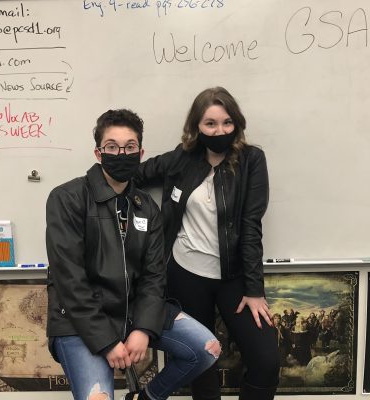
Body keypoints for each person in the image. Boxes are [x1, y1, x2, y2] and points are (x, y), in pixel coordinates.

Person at [45, 109, 221, 400]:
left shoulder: (147, 208)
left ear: (140, 152)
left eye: (129, 147)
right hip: (80, 320)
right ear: (98, 153)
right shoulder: (67, 198)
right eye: (112, 146)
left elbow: (154, 277)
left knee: (206, 349)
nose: (121, 153)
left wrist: (142, 329)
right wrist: (106, 342)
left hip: (134, 313)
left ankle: (144, 398)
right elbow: (70, 280)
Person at [134, 87, 280, 400]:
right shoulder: (182, 158)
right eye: (210, 124)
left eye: (227, 122)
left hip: (235, 279)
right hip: (184, 275)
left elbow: (251, 226)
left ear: (237, 123)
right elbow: (134, 175)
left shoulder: (252, 160)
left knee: (266, 360)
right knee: (203, 362)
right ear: (196, 127)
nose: (220, 131)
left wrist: (254, 290)